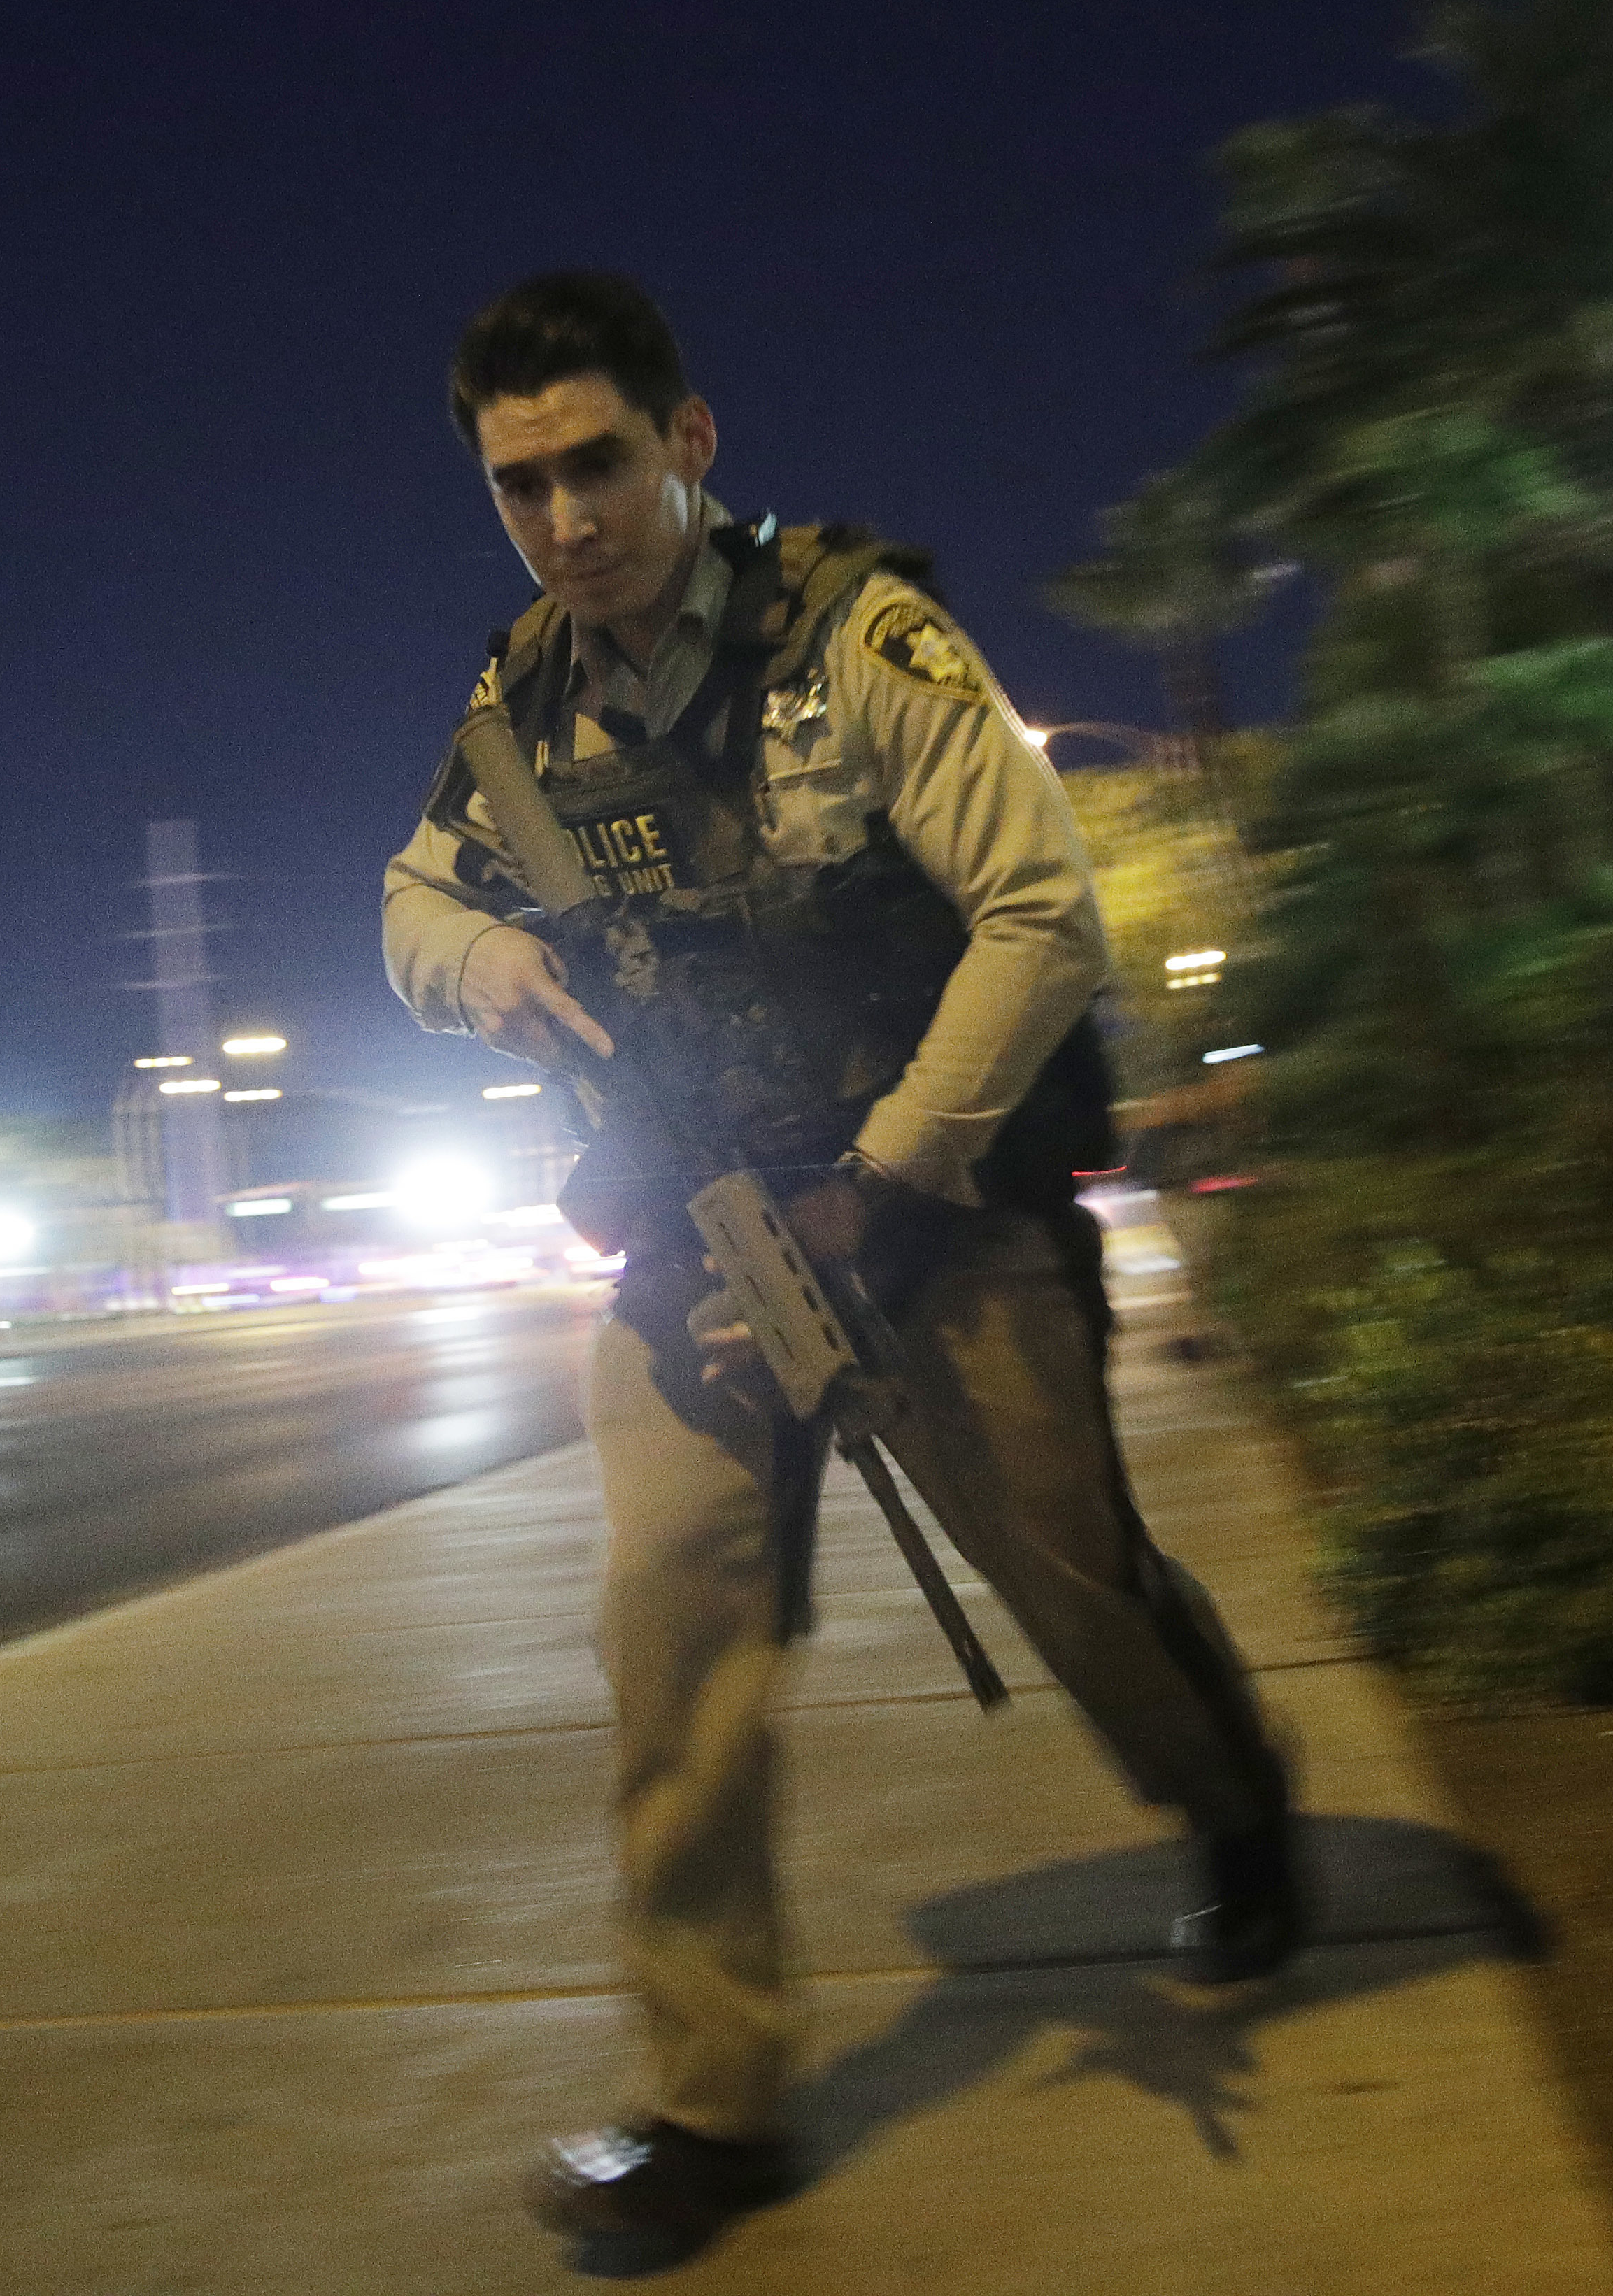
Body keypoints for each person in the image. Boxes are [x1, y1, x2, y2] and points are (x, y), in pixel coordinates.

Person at [383, 269, 1300, 2257]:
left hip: (936, 1218)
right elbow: (410, 898)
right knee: (671, 1644)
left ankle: (1237, 1811)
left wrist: (883, 1180)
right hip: (692, 1244)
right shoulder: (519, 709)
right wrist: (483, 962)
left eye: (600, 464)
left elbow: (1042, 918)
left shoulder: (855, 638)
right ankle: (714, 2110)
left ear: (687, 443)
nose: (567, 522)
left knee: (1074, 1575)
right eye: (521, 485)